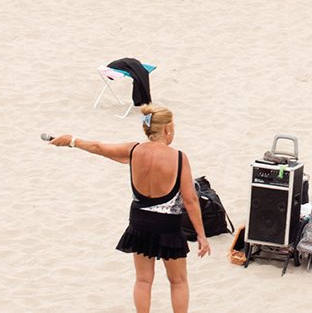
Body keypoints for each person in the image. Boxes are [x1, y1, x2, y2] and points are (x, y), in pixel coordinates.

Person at [48, 105, 209, 313]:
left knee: (143, 280)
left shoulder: (134, 150)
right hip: (167, 226)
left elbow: (98, 147)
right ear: (167, 129)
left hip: (140, 222)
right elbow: (190, 200)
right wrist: (201, 234)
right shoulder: (178, 157)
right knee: (178, 281)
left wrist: (71, 141)